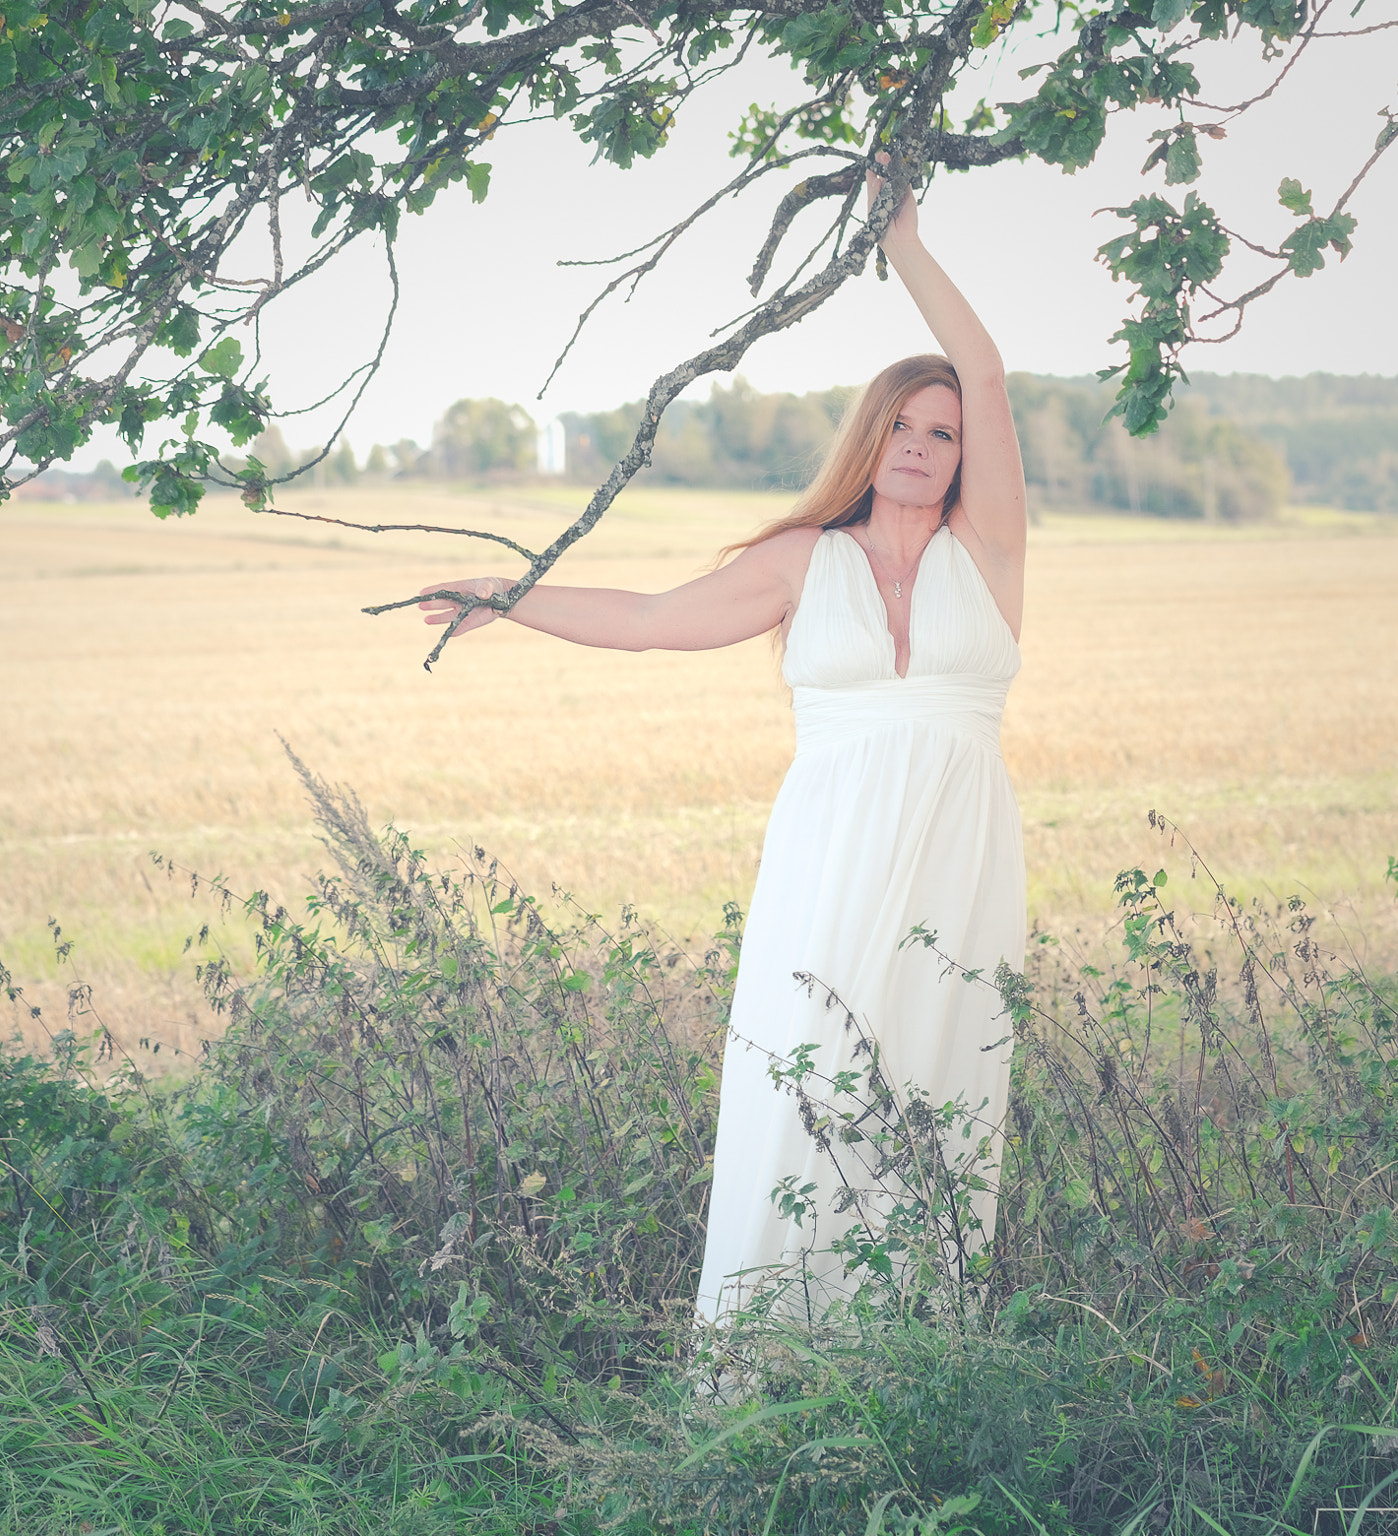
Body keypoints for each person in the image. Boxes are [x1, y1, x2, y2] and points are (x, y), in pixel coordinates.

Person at [418, 162, 1026, 1322]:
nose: (918, 444)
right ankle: (768, 1358)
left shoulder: (989, 552)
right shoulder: (804, 561)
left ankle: (915, 1358)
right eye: (897, 425)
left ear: (962, 451)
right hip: (829, 855)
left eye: (939, 432)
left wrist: (898, 241)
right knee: (814, 1084)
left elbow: (987, 374)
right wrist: (515, 596)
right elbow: (650, 624)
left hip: (960, 856)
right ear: (868, 437)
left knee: (937, 1082)